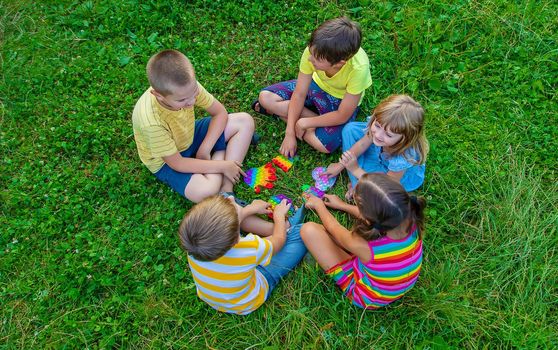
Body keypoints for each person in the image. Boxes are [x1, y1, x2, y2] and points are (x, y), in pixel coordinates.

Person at [132, 49, 255, 202]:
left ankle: (226, 188)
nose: (191, 102)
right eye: (182, 100)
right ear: (158, 94)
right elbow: (178, 163)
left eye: (194, 92)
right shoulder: (151, 122)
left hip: (189, 134)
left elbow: (219, 113)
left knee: (244, 121)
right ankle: (223, 156)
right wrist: (222, 166)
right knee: (205, 191)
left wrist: (205, 148)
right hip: (167, 160)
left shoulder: (186, 87)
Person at [300, 173, 426, 309]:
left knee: (309, 230)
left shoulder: (365, 244)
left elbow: (334, 228)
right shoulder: (411, 219)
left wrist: (319, 205)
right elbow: (380, 215)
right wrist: (342, 205)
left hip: (368, 298)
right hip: (400, 284)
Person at [252, 17, 372, 157]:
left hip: (339, 101)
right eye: (311, 52)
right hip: (314, 87)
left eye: (317, 59)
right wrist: (290, 132)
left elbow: (342, 115)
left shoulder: (358, 69)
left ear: (340, 63)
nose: (310, 59)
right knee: (265, 97)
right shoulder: (316, 50)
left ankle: (289, 114)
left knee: (325, 146)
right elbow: (299, 94)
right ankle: (311, 120)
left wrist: (305, 122)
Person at [178, 194, 307, 315]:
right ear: (236, 239)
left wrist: (250, 209)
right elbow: (278, 241)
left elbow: (226, 225)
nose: (231, 197)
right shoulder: (248, 248)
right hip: (247, 301)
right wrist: (278, 217)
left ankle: (266, 243)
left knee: (225, 200)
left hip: (216, 298)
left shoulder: (195, 245)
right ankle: (288, 226)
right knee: (301, 233)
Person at [325, 94, 428, 200]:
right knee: (350, 130)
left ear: (405, 139)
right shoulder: (379, 133)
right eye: (377, 125)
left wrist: (355, 169)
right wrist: (340, 165)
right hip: (379, 153)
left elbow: (387, 185)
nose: (378, 135)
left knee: (378, 190)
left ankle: (357, 184)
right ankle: (359, 179)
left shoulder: (403, 157)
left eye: (388, 134)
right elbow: (362, 143)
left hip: (392, 177)